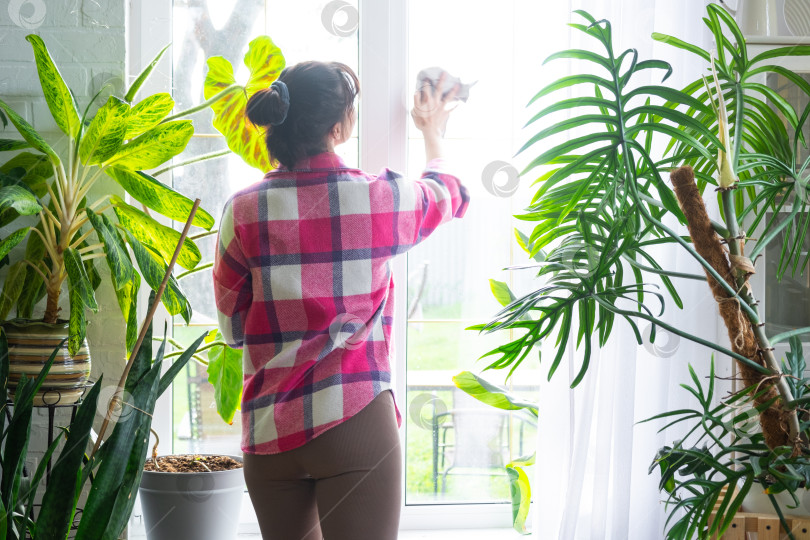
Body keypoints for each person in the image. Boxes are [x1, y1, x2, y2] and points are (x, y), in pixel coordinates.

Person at [212, 60, 469, 540]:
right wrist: (432, 133)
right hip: (354, 421)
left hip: (270, 434)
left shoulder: (243, 211)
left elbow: (232, 330)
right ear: (340, 125)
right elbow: (450, 194)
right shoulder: (378, 199)